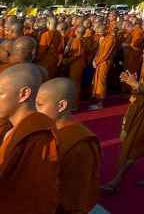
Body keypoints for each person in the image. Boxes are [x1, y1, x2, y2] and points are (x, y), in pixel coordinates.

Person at [101, 42, 144, 192]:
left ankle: (115, 181)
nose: (143, 55)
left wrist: (135, 84)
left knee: (134, 144)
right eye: (143, 52)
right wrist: (131, 82)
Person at [0, 64, 60, 214]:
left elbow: (35, 196)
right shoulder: (16, 127)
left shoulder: (39, 136)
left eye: (0, 93)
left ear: (24, 94)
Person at [36, 77, 101, 214]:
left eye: (40, 105)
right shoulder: (49, 129)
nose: (36, 110)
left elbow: (75, 197)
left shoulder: (79, 144)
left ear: (61, 106)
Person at [89, 25, 117, 110]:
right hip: (99, 62)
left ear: (105, 30)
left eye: (100, 33)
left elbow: (106, 54)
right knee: (97, 80)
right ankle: (96, 98)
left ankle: (100, 103)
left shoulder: (111, 39)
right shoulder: (103, 38)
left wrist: (97, 62)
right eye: (97, 33)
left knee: (101, 81)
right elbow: (99, 50)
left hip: (104, 62)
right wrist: (94, 59)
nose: (99, 35)